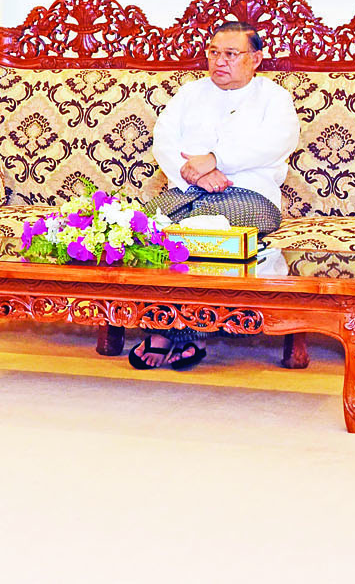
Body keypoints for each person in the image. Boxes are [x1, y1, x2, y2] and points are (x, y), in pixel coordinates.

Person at [128, 20, 300, 370]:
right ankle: (168, 325)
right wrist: (198, 172)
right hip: (185, 189)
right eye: (214, 52)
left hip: (250, 196)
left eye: (231, 54)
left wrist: (216, 160)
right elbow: (164, 140)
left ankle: (177, 333)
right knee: (141, 229)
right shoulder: (190, 94)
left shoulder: (274, 98)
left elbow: (275, 143)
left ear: (256, 59)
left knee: (202, 234)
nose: (220, 61)